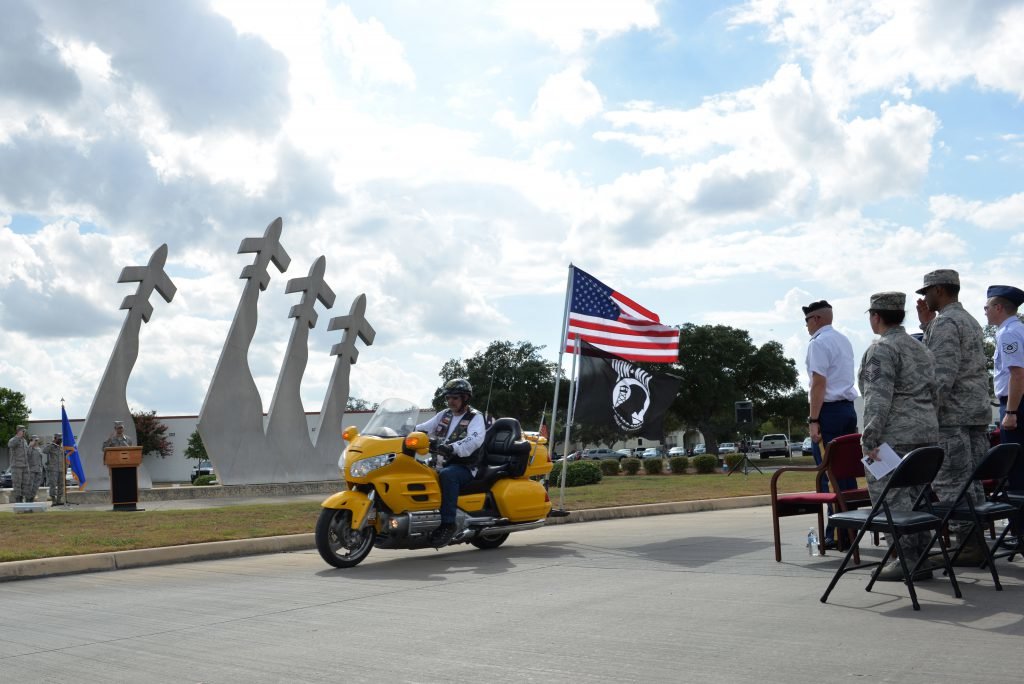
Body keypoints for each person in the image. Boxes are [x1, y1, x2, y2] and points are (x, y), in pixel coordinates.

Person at [859, 292, 939, 581]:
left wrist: (869, 439)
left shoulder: (881, 350)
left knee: (891, 499)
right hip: (926, 433)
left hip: (893, 436)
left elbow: (876, 399)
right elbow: (935, 393)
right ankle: (922, 558)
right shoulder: (921, 349)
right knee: (918, 498)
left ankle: (905, 559)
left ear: (876, 317)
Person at [915, 269, 992, 564]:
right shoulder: (968, 320)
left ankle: (969, 546)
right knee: (971, 479)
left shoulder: (946, 323)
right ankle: (975, 544)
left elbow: (941, 376)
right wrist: (927, 326)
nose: (926, 298)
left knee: (951, 482)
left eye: (927, 292)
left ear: (940, 290)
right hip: (974, 413)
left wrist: (926, 414)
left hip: (952, 415)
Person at [802, 299, 859, 549]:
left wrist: (814, 420)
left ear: (817, 319)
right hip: (847, 409)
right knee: (847, 473)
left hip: (829, 412)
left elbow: (819, 383)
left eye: (807, 321)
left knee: (830, 475)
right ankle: (852, 530)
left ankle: (838, 534)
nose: (806, 326)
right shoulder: (843, 340)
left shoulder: (818, 343)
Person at [415, 378, 486, 547]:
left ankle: (448, 524)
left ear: (465, 398)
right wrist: (403, 430)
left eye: (455, 398)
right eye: (448, 398)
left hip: (464, 466)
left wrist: (452, 448)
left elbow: (474, 440)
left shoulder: (475, 417)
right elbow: (423, 428)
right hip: (438, 463)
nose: (450, 401)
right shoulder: (444, 415)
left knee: (448, 475)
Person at [984, 284, 1024, 548]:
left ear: (998, 307)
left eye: (987, 307)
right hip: (1016, 403)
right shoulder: (1016, 329)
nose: (985, 312)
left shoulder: (1009, 333)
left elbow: (1017, 374)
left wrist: (1010, 411)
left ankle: (1021, 535)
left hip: (1016, 405)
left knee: (1017, 471)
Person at [7, 425, 31, 503]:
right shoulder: (13, 440)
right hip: (16, 466)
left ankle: (25, 502)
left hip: (25, 465)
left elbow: (27, 453)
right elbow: (10, 445)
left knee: (26, 484)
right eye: (23, 431)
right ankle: (18, 502)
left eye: (24, 431)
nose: (24, 433)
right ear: (18, 431)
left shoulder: (24, 441)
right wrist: (18, 437)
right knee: (17, 484)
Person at [43, 433, 65, 506]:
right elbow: (44, 451)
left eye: (61, 439)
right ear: (55, 438)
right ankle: (53, 500)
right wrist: (52, 444)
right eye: (59, 439)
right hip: (53, 469)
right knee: (53, 485)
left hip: (61, 469)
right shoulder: (51, 446)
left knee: (61, 485)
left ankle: (59, 500)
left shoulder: (61, 447)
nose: (60, 440)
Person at [28, 435, 45, 500]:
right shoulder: (29, 448)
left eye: (37, 440)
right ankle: (28, 499)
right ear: (32, 440)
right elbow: (27, 455)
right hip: (31, 470)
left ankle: (32, 497)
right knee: (30, 485)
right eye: (35, 440)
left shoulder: (39, 449)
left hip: (38, 469)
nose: (36, 442)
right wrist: (30, 445)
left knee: (36, 485)